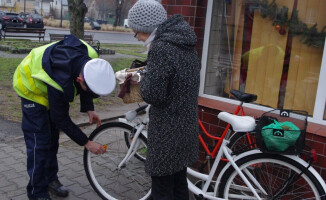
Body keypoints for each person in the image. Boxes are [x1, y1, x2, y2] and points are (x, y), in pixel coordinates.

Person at [12, 35, 116, 200]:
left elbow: (87, 83)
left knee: (53, 139)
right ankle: (36, 193)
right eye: (85, 87)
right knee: (40, 144)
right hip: (31, 88)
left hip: (51, 85)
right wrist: (86, 142)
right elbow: (61, 119)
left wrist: (89, 108)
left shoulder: (91, 57)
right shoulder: (61, 81)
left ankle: (51, 179)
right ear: (79, 79)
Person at [128, 0, 201, 199]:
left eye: (137, 32)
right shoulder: (185, 42)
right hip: (185, 127)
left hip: (167, 132)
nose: (136, 37)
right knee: (178, 186)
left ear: (146, 28)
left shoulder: (160, 48)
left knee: (162, 190)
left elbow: (154, 94)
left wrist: (140, 80)